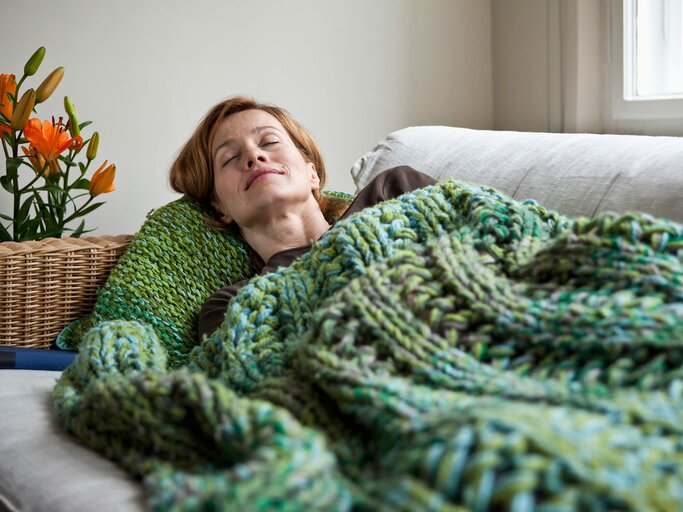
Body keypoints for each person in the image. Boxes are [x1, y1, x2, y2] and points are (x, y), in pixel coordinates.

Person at [169, 96, 436, 339]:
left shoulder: (393, 190)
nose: (253, 155)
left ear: (312, 173)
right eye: (229, 158)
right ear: (220, 209)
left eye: (269, 141)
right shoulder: (231, 305)